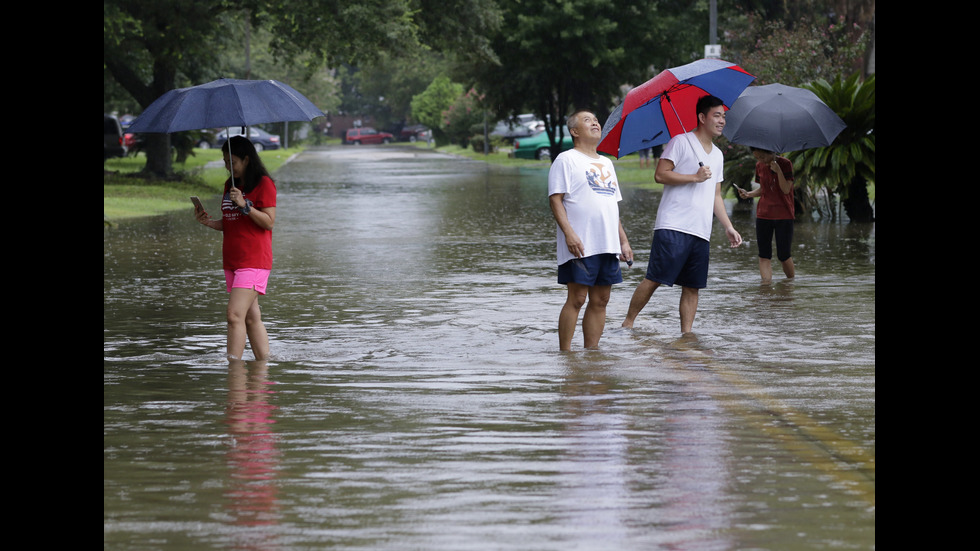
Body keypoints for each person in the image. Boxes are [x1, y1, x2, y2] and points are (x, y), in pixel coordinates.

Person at [621, 95, 742, 333]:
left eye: (724, 116)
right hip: (673, 225)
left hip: (701, 230)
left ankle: (686, 335)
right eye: (716, 115)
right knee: (655, 278)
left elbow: (715, 195)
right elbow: (660, 174)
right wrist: (693, 177)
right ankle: (627, 323)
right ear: (702, 117)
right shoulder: (680, 142)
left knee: (692, 286)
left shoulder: (717, 155)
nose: (721, 121)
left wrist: (728, 226)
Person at [549, 110, 633, 350]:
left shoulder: (606, 162)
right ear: (574, 131)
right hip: (580, 241)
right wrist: (569, 233)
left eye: (596, 120)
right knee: (577, 298)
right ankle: (565, 354)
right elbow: (555, 200)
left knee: (601, 299)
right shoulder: (566, 159)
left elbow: (611, 207)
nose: (595, 122)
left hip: (607, 243)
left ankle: (592, 354)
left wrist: (623, 242)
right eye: (588, 120)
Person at [195, 136, 277, 360]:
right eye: (225, 162)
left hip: (254, 260)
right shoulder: (230, 185)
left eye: (233, 162)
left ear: (247, 159)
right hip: (232, 259)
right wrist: (208, 222)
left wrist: (245, 205)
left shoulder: (264, 184)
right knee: (251, 318)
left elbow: (269, 222)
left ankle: (234, 371)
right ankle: (263, 367)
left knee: (233, 315)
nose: (228, 167)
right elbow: (231, 222)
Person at [736, 147, 796, 282]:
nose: (760, 160)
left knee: (784, 255)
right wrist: (748, 194)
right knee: (764, 255)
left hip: (783, 215)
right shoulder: (759, 166)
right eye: (757, 158)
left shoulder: (786, 164)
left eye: (762, 157)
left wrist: (778, 171)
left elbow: (786, 189)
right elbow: (764, 188)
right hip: (764, 215)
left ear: (771, 153)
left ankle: (790, 286)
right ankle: (765, 289)